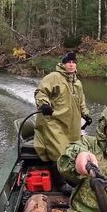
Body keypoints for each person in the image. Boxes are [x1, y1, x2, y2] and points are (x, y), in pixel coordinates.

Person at [34, 51, 91, 193]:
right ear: (63, 64)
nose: (71, 65)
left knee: (73, 149)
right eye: (68, 62)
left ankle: (70, 176)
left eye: (73, 62)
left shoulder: (77, 82)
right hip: (53, 122)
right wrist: (44, 105)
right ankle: (60, 183)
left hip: (71, 123)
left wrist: (86, 114)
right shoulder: (54, 77)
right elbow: (41, 92)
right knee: (58, 151)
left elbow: (81, 101)